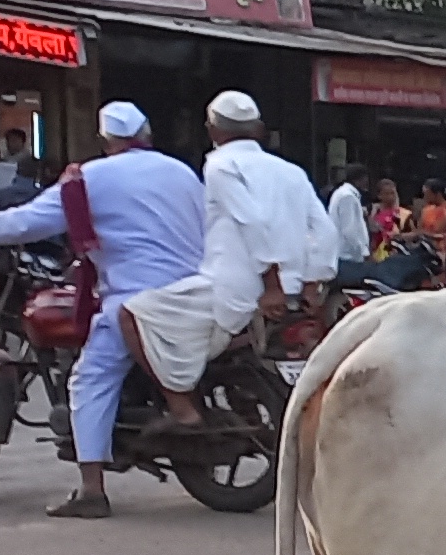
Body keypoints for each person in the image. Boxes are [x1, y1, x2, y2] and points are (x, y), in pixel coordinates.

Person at [0, 99, 211, 519]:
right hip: (195, 292)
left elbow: (28, 222)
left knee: (88, 380)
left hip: (134, 298)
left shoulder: (90, 178)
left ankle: (91, 488)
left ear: (107, 140)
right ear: (146, 135)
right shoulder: (181, 171)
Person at [109, 91, 332, 436]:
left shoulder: (220, 166)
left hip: (234, 289)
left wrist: (271, 284)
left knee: (129, 314)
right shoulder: (291, 171)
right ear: (257, 130)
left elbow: (251, 222)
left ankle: (181, 407)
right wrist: (309, 285)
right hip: (287, 290)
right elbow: (323, 230)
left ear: (212, 131)